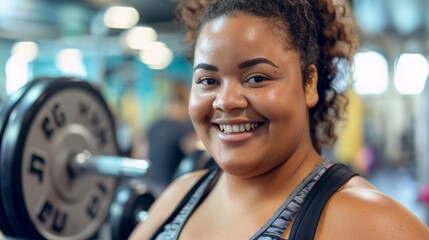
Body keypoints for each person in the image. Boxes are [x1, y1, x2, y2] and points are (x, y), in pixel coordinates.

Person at [130, 0, 429, 239]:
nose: (226, 101)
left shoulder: (372, 223)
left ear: (308, 83)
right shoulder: (180, 196)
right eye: (208, 80)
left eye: (256, 78)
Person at [144, 80, 198, 194]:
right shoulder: (186, 129)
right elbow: (199, 156)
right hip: (171, 191)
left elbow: (140, 154)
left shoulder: (154, 126)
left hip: (150, 187)